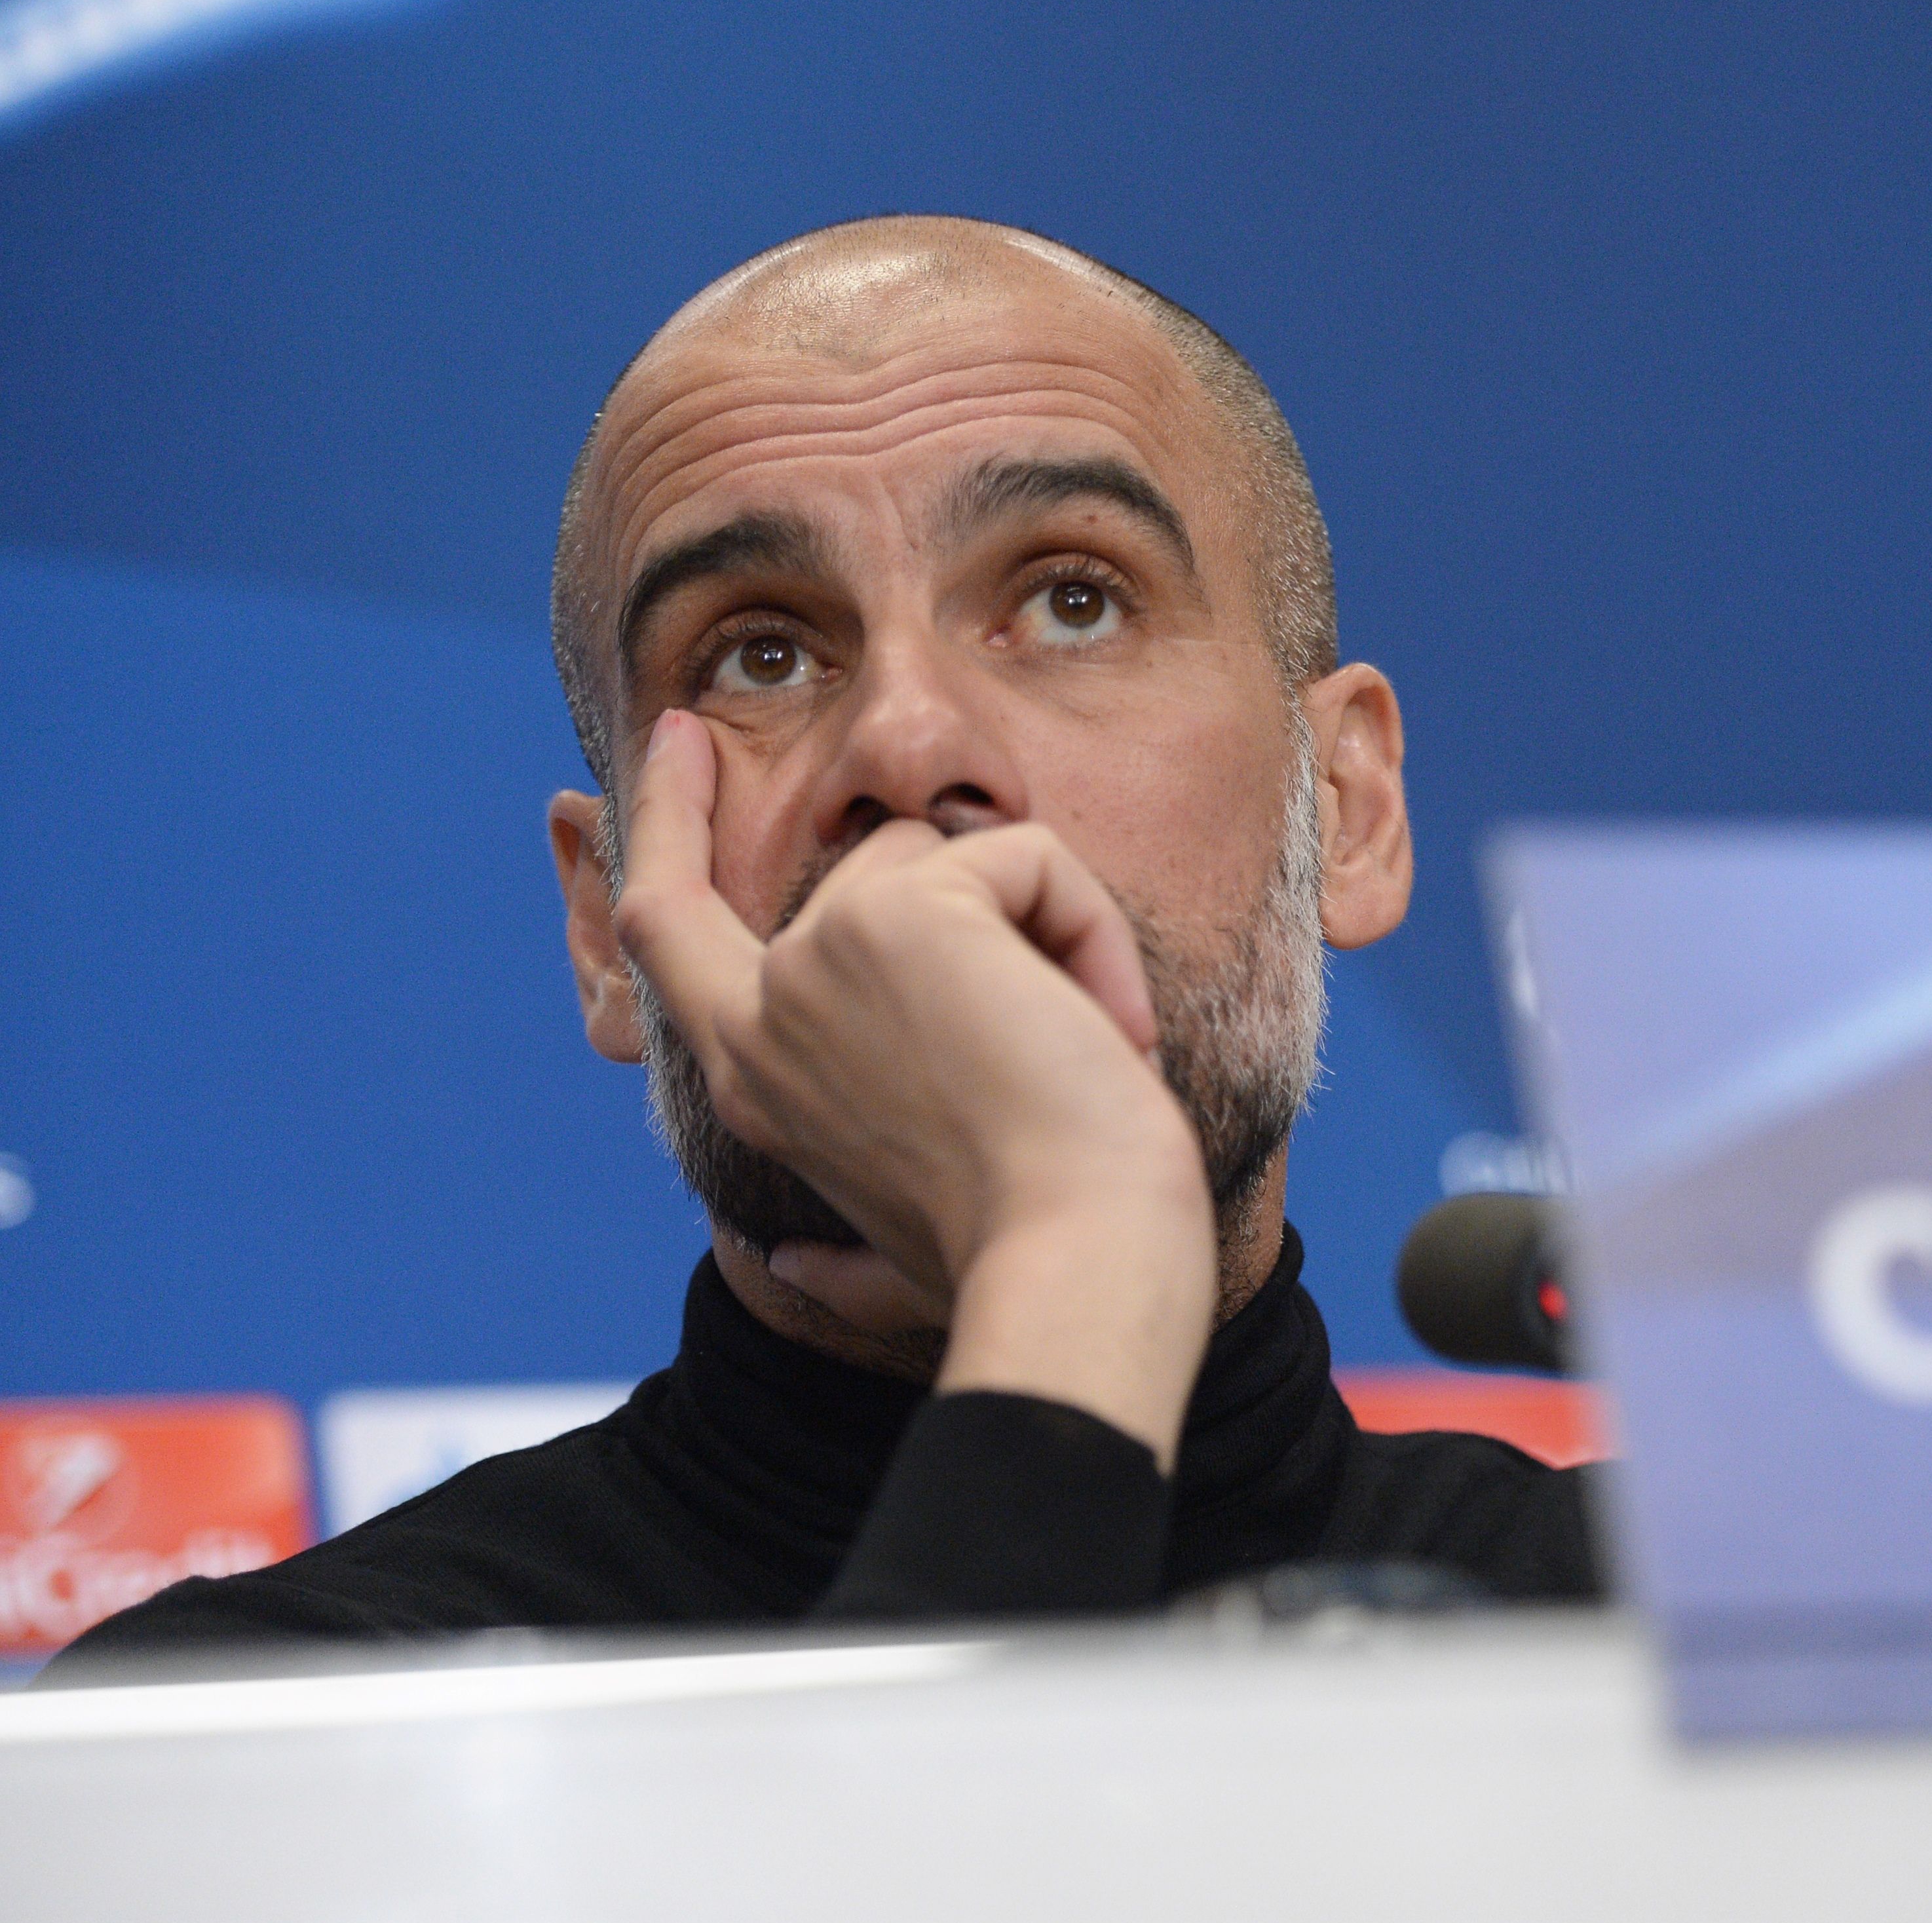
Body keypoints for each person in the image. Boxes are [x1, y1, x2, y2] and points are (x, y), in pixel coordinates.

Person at [48, 216, 1598, 1669]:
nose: (911, 744)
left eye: (1072, 600)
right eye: (762, 653)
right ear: (609, 928)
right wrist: (1073, 1251)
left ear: (1349, 809)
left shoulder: (1692, 1639)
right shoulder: (257, 1729)